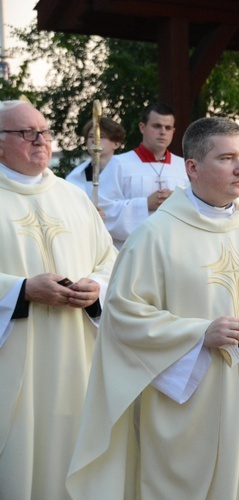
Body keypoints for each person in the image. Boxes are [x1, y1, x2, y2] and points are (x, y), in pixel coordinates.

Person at [67, 117, 239, 499]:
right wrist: (200, 334)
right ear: (193, 168)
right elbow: (123, 316)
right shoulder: (155, 235)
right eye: (227, 158)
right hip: (191, 411)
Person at [0, 100, 116, 500]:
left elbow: (109, 259)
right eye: (26, 133)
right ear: (0, 143)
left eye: (45, 132)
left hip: (75, 353)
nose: (41, 141)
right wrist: (21, 290)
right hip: (13, 356)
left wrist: (97, 286)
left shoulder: (73, 196)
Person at [98, 102, 188, 248]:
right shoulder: (119, 164)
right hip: (133, 249)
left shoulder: (183, 167)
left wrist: (178, 201)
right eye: (157, 126)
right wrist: (145, 204)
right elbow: (103, 210)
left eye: (168, 128)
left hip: (174, 248)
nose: (163, 132)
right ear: (142, 127)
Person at [66, 116, 126, 200]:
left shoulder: (127, 171)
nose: (94, 140)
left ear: (116, 144)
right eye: (91, 136)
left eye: (101, 137)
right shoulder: (75, 176)